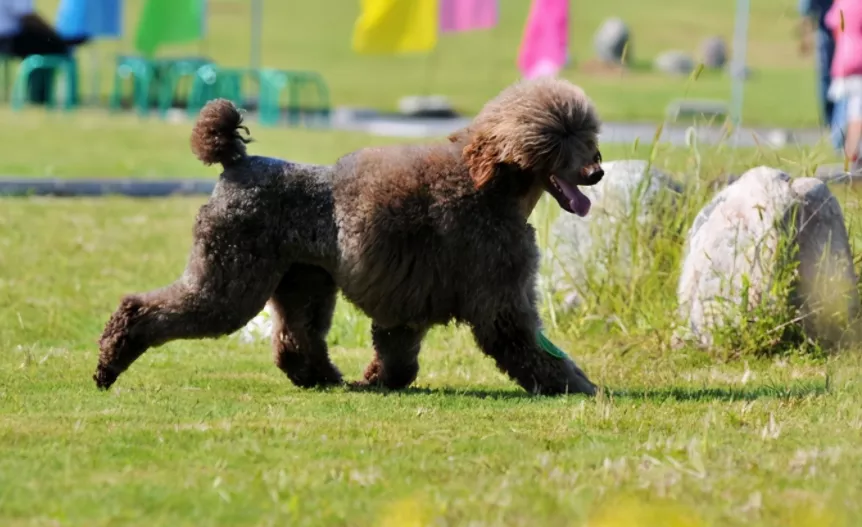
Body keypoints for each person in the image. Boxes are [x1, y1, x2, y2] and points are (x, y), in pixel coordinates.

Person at [0, 0, 87, 104]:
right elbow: (27, 17)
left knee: (47, 43)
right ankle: (40, 98)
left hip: (7, 39)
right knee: (55, 47)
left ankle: (37, 95)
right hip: (9, 39)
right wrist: (54, 35)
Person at [825, 0, 862, 166]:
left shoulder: (842, 3)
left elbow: (834, 26)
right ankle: (852, 151)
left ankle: (842, 145)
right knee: (857, 112)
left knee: (849, 108)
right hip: (859, 59)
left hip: (843, 57)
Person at [798, 0, 836, 130]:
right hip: (826, 29)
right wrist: (805, 35)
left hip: (848, 28)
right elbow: (806, 7)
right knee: (826, 77)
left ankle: (840, 120)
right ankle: (830, 120)